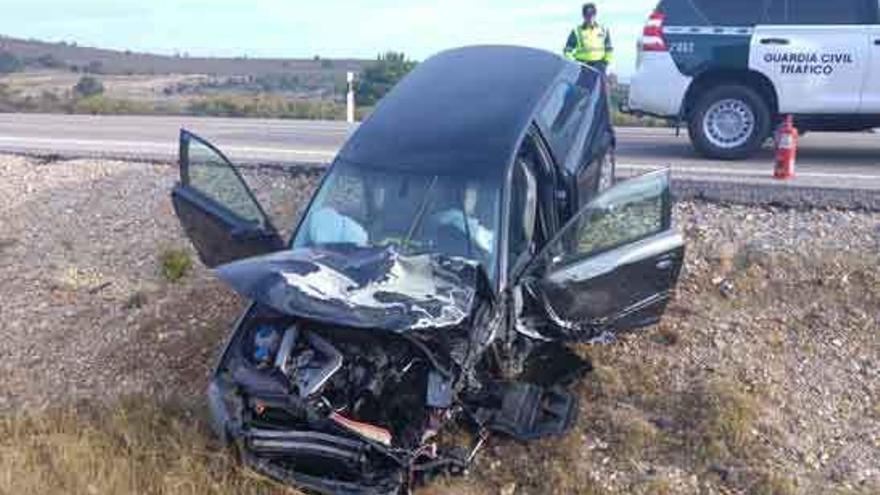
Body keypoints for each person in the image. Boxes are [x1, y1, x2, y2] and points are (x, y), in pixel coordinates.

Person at [564, 3, 613, 74]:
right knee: (581, 85)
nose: (590, 18)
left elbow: (609, 48)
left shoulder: (603, 30)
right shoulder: (577, 31)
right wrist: (574, 63)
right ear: (583, 16)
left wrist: (605, 62)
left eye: (592, 15)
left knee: (599, 85)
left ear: (595, 15)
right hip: (582, 65)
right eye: (587, 15)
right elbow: (568, 50)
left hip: (599, 66)